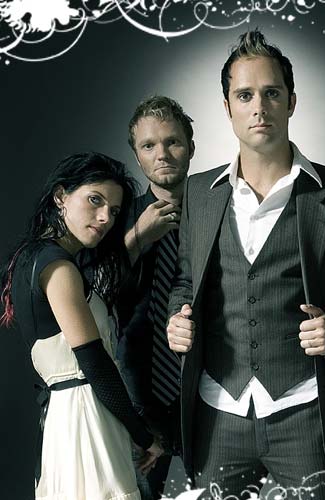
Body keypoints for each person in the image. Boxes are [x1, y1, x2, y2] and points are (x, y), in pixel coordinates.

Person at [166, 29, 325, 499]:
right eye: (245, 95)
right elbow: (185, 282)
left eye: (271, 93)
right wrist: (177, 317)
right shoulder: (199, 193)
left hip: (303, 409)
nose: (259, 107)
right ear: (227, 107)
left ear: (291, 102)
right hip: (219, 409)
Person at [0, 152, 163, 500]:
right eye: (95, 200)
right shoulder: (58, 268)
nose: (105, 217)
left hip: (69, 416)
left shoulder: (32, 257)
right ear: (61, 196)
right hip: (86, 416)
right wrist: (144, 436)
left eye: (114, 211)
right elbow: (95, 364)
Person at [116, 96, 195, 499]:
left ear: (191, 147)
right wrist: (137, 238)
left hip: (205, 385)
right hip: (139, 388)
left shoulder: (218, 211)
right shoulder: (117, 218)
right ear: (137, 155)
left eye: (172, 142)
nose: (161, 154)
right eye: (149, 145)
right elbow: (92, 291)